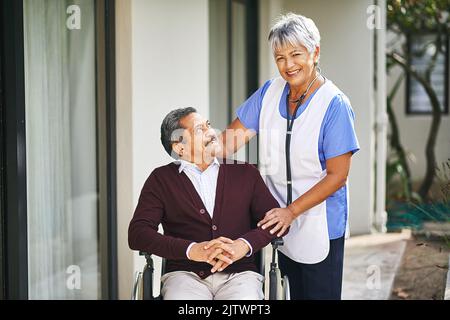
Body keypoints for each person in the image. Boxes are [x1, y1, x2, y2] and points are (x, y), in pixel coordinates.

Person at [220, 13, 360, 300]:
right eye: (280, 57)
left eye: (296, 54)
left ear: (315, 52)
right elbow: (228, 143)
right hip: (279, 222)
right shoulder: (269, 92)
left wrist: (292, 211)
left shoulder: (334, 104)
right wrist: (189, 147)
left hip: (319, 223)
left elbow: (338, 175)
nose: (288, 65)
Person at [128, 107, 287, 300]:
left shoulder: (245, 173)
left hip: (239, 275)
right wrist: (191, 250)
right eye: (199, 130)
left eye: (208, 125)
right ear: (180, 147)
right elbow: (138, 234)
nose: (211, 132)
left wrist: (243, 245)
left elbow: (277, 221)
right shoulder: (161, 180)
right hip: (185, 276)